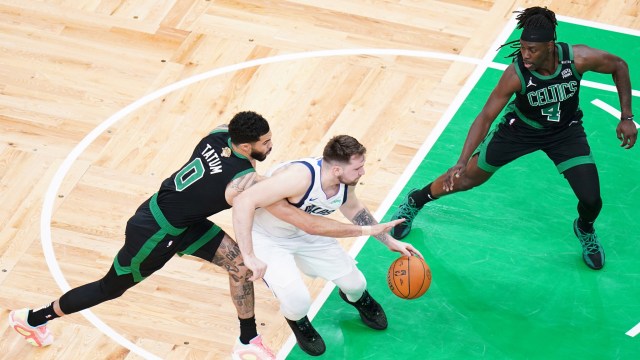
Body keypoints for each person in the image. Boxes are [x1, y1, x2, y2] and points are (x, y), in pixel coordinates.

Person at [8, 111, 402, 359]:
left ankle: (247, 340)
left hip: (188, 221)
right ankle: (34, 317)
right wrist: (260, 241)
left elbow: (230, 147)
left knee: (239, 270)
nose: (270, 146)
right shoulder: (242, 181)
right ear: (245, 145)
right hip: (156, 229)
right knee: (112, 287)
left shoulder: (220, 134)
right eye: (264, 143)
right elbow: (254, 199)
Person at [390, 6, 637, 271]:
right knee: (466, 179)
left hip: (565, 132)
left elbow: (619, 66)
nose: (525, 55)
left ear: (550, 46)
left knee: (591, 200)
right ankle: (416, 200)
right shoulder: (516, 74)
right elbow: (485, 116)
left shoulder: (577, 58)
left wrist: (626, 116)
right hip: (520, 130)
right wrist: (461, 160)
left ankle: (584, 229)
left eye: (533, 49)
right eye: (523, 48)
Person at [232, 135, 422, 356]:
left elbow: (353, 208)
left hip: (307, 233)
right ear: (337, 170)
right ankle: (299, 322)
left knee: (355, 284)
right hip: (269, 238)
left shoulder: (345, 179)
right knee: (297, 301)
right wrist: (247, 254)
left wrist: (389, 241)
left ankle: (359, 300)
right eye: (358, 168)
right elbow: (243, 200)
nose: (362, 172)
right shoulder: (296, 177)